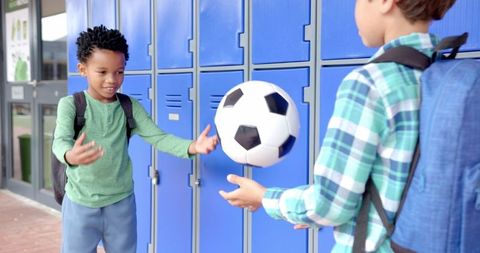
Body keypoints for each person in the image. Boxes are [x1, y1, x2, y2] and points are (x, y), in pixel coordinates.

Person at [219, 0, 456, 252]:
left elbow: (329, 206)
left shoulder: (370, 83)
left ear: (385, 2)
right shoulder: (448, 75)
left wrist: (264, 198)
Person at [52, 25, 218, 253]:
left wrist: (192, 146)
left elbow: (158, 137)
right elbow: (60, 141)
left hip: (120, 203)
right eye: (102, 72)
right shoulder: (71, 105)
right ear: (83, 69)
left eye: (119, 72)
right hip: (81, 203)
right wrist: (70, 154)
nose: (112, 80)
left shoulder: (129, 106)